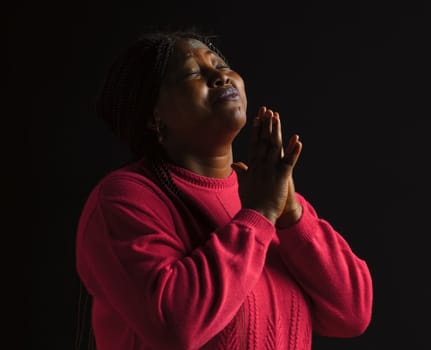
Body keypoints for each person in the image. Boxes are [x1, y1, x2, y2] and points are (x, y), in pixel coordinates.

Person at [74, 29, 373, 350]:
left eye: (221, 65)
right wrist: (258, 216)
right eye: (192, 73)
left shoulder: (268, 193)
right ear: (153, 116)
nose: (219, 77)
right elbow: (175, 327)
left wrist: (293, 216)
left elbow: (352, 313)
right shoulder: (125, 198)